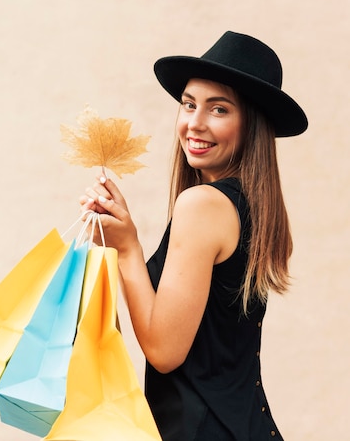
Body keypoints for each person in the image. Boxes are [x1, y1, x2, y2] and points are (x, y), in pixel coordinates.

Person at [81, 31, 307, 440]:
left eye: (218, 109)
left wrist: (128, 248)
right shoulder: (251, 207)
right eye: (188, 104)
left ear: (250, 124)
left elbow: (165, 353)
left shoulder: (202, 204)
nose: (194, 123)